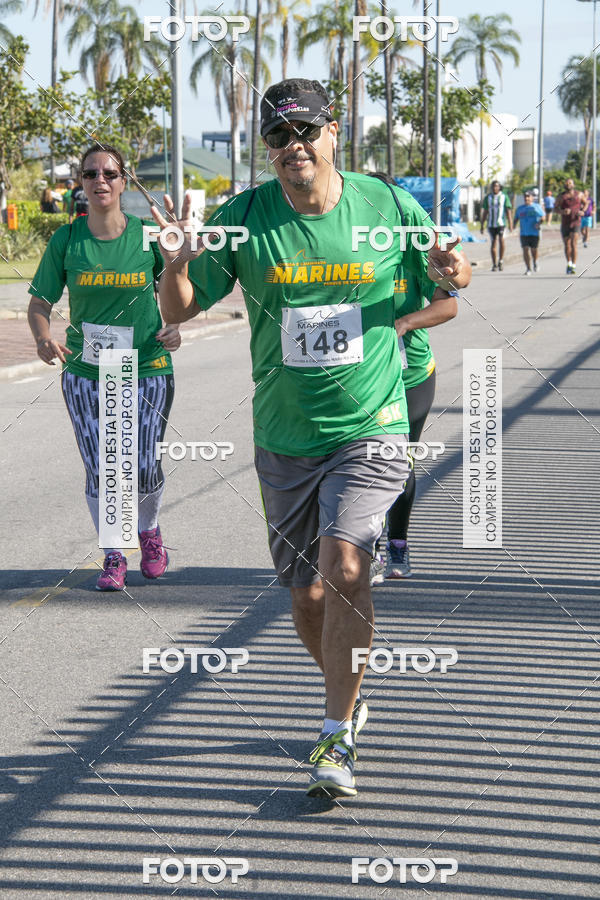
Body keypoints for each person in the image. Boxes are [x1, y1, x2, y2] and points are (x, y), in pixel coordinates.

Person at [151, 78, 472, 799]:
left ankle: (334, 734)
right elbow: (185, 306)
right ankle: (348, 696)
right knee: (304, 595)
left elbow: (451, 274)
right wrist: (174, 265)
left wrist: (456, 269)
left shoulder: (386, 205)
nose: (294, 147)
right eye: (278, 137)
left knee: (347, 565)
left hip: (374, 421)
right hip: (286, 435)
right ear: (268, 149)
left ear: (334, 133)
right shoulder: (247, 217)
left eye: (305, 131)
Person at [27, 144, 180, 591]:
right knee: (103, 465)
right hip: (87, 372)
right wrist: (41, 337)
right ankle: (114, 552)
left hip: (148, 366)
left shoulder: (148, 236)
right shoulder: (67, 239)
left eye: (110, 173)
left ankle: (148, 532)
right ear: (81, 181)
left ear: (123, 180)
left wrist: (174, 326)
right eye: (91, 173)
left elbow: (179, 292)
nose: (100, 181)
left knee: (144, 461)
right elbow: (39, 302)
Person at [367, 173, 457, 583]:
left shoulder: (411, 250)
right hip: (357, 379)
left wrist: (404, 322)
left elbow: (448, 306)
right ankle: (365, 548)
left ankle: (398, 544)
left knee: (398, 461)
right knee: (359, 465)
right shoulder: (341, 254)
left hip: (411, 375)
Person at [480, 180, 512, 271]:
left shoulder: (504, 197)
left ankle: (501, 261)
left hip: (501, 223)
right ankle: (494, 264)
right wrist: (482, 225)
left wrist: (511, 224)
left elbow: (508, 211)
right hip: (491, 224)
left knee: (501, 240)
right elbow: (485, 212)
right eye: (493, 186)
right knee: (493, 242)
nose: (495, 188)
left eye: (497, 186)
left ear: (499, 187)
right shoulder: (488, 198)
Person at [556, 177, 585, 274]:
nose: (568, 185)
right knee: (567, 245)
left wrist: (582, 211)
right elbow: (555, 208)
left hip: (575, 222)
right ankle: (568, 263)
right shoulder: (561, 196)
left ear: (573, 185)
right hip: (565, 223)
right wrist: (562, 211)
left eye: (570, 183)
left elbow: (586, 203)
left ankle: (574, 265)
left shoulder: (579, 194)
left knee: (573, 243)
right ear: (565, 185)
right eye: (567, 183)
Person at [514, 191, 544, 275]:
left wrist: (539, 223)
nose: (526, 198)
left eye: (528, 196)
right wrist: (513, 226)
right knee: (525, 249)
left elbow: (543, 216)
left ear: (532, 198)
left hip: (534, 233)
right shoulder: (520, 208)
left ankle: (535, 261)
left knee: (534, 250)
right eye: (525, 197)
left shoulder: (536, 207)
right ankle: (528, 268)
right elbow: (516, 218)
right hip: (524, 233)